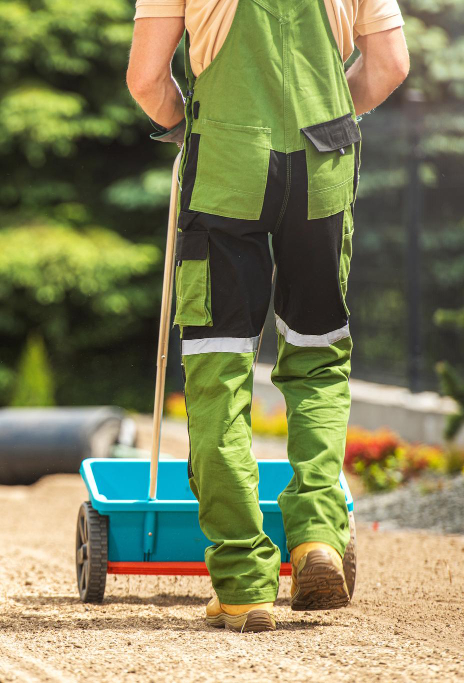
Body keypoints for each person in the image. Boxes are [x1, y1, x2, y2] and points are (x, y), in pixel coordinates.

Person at [126, 0, 410, 632]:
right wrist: (331, 122)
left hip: (228, 164)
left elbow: (146, 79)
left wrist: (189, 128)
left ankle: (244, 582)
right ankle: (315, 538)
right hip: (324, 164)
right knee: (316, 351)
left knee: (218, 364)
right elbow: (389, 64)